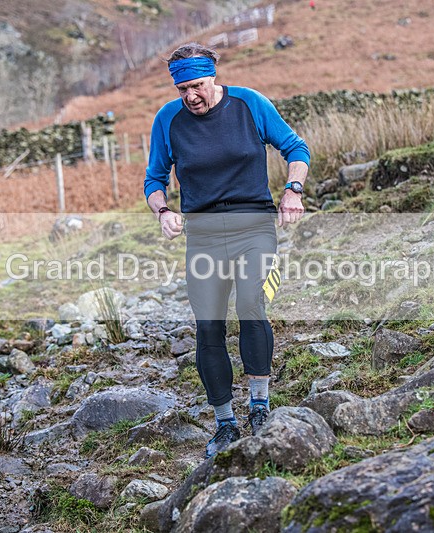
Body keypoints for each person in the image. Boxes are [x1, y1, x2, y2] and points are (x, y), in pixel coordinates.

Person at [144, 42, 310, 458]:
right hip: (202, 235)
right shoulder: (168, 120)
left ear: (213, 77)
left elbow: (296, 148)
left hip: (253, 225)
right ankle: (224, 423)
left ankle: (259, 406)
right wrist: (163, 211)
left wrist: (293, 190)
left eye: (197, 85)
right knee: (208, 326)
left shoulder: (249, 104)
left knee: (252, 304)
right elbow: (154, 178)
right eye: (183, 89)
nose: (190, 96)